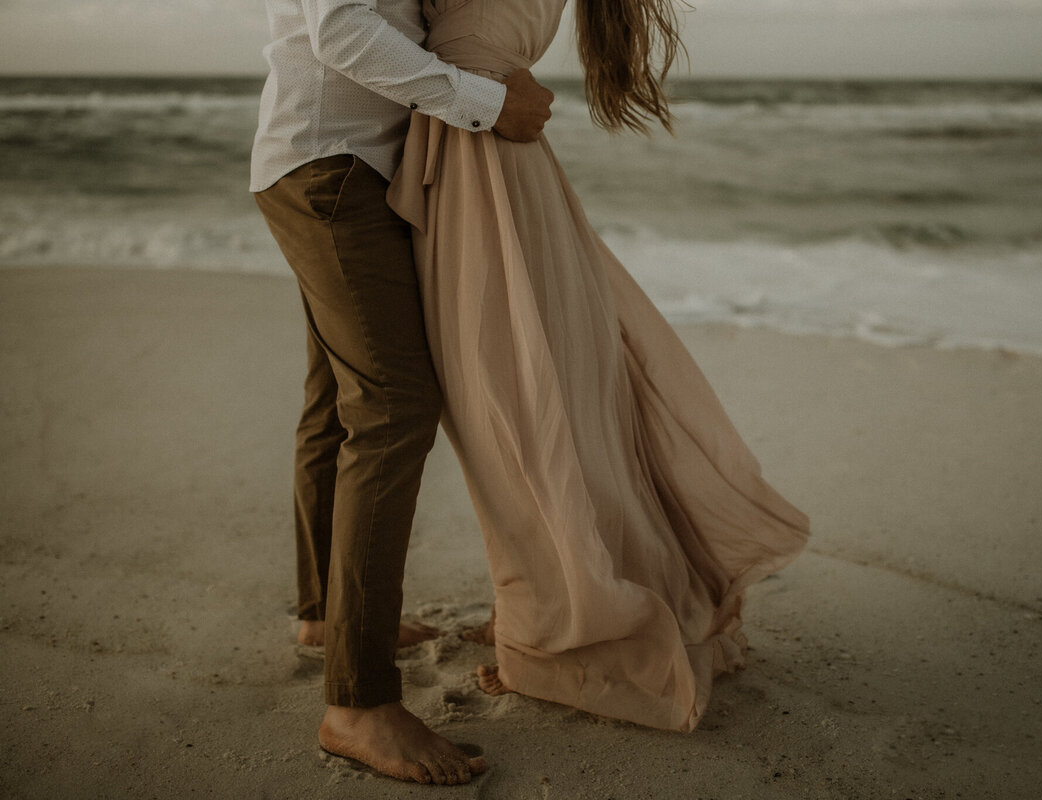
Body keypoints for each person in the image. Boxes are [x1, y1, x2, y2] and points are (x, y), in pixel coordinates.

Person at [388, 0, 808, 749]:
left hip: (480, 153)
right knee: (531, 402)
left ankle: (555, 624)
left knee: (508, 408)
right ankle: (545, 605)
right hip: (492, 152)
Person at [250, 0, 554, 786]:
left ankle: (325, 616)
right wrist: (485, 103)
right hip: (334, 165)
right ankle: (356, 703)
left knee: (338, 400)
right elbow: (342, 27)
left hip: (338, 162)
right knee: (394, 407)